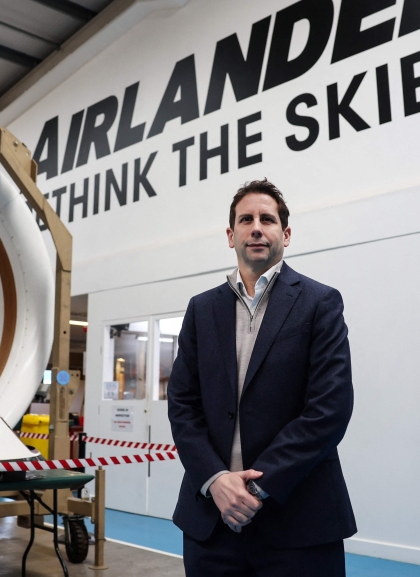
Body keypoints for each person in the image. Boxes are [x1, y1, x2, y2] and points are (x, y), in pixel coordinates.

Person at [167, 179, 356, 575]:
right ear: (230, 235)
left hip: (299, 525)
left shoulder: (320, 303)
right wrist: (217, 480)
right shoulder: (201, 310)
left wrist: (251, 489)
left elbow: (329, 409)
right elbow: (183, 405)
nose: (256, 227)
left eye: (267, 219)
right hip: (211, 525)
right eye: (246, 219)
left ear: (285, 234)